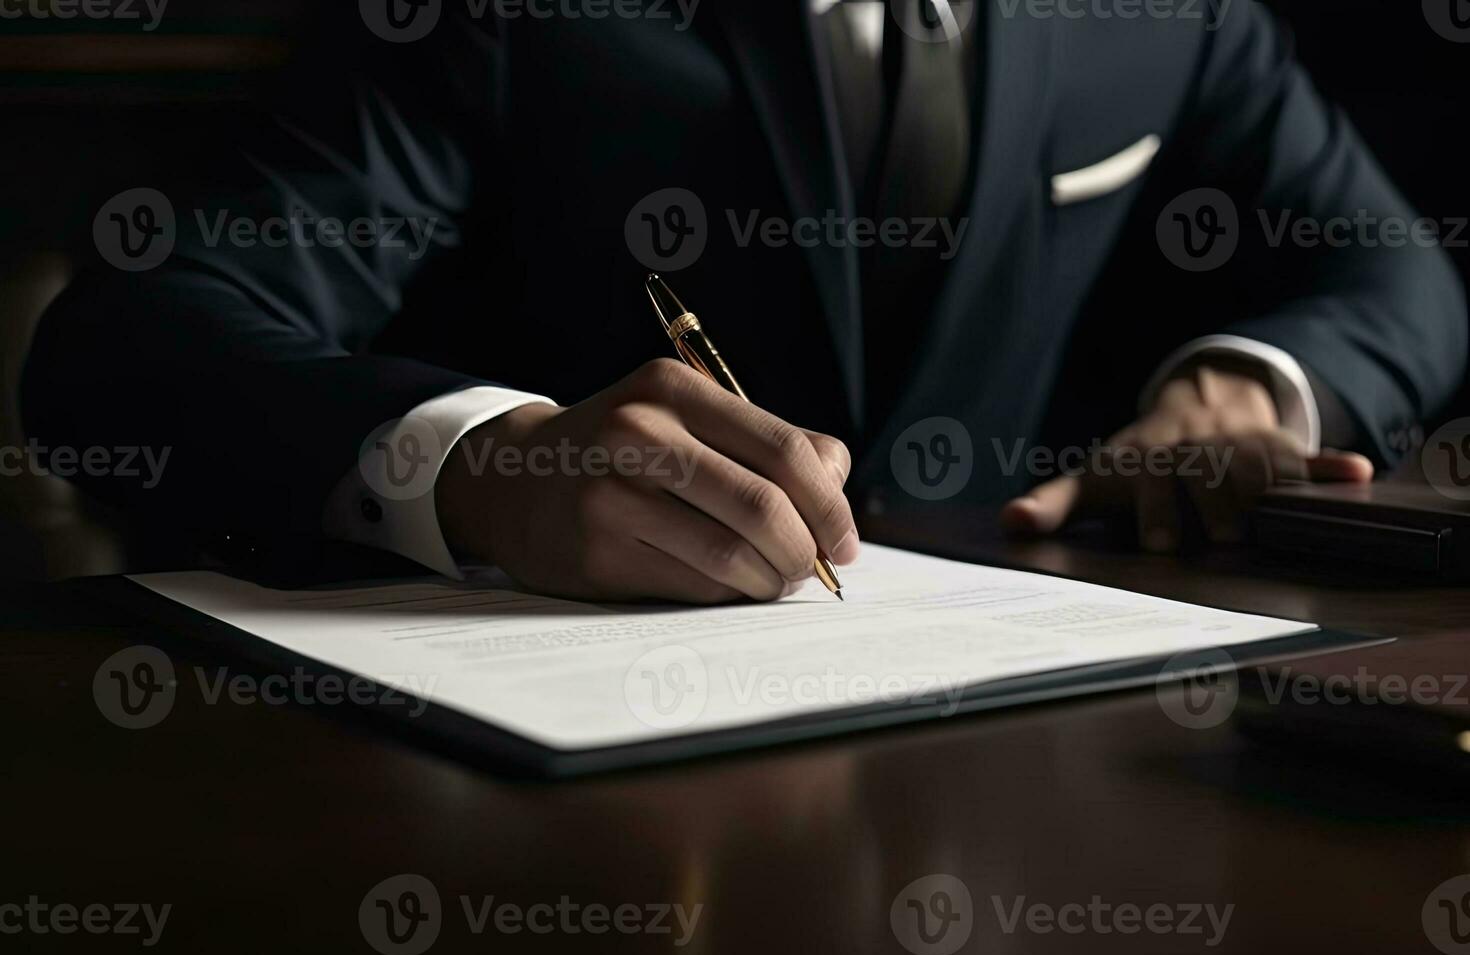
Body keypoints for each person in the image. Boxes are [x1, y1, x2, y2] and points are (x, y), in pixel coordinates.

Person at [22, 0, 1466, 602]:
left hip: (1016, 729)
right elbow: (125, 340)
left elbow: (1390, 266)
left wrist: (1251, 386)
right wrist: (479, 465)